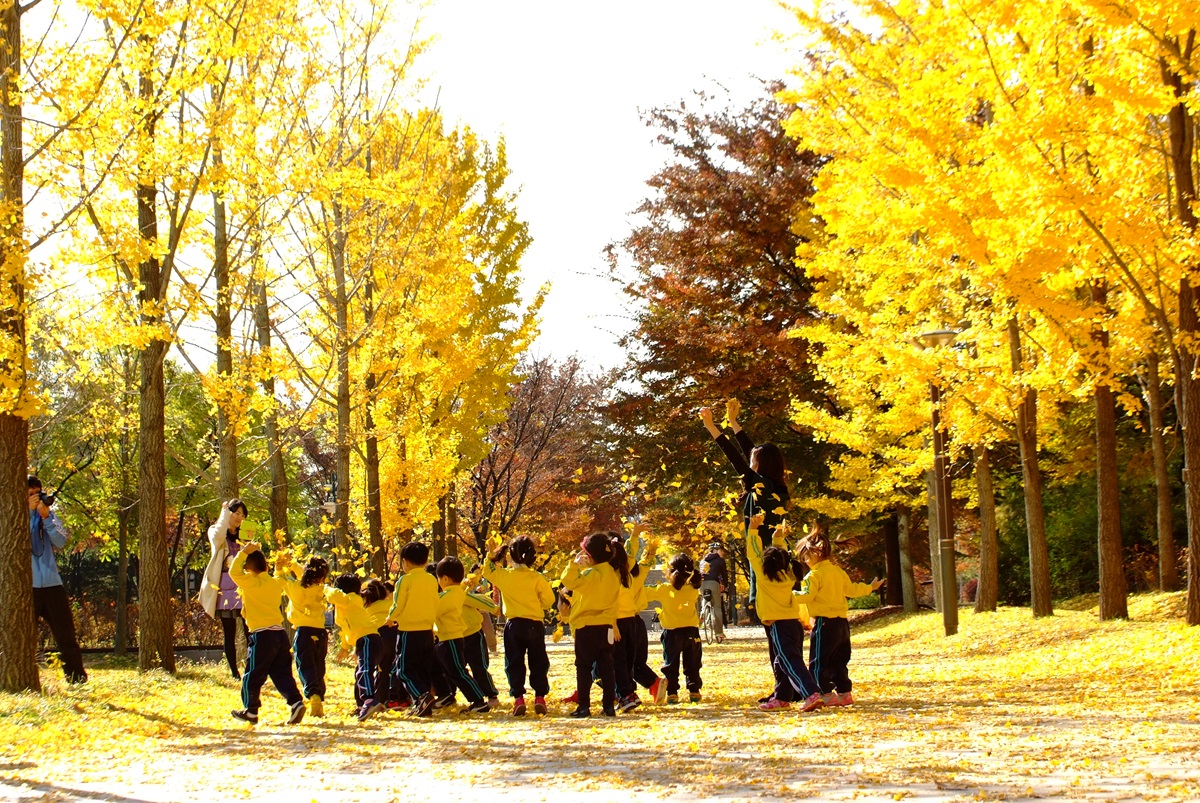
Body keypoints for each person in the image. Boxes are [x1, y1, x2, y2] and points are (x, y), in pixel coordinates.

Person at [699, 399, 790, 620]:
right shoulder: (773, 486)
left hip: (765, 558)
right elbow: (752, 452)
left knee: (772, 619)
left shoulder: (761, 486)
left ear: (759, 466)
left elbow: (735, 457)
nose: (749, 463)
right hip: (774, 555)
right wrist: (733, 422)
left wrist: (712, 427)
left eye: (753, 461)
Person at [795, 527, 883, 707]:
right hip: (842, 624)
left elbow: (807, 596)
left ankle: (824, 693)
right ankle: (844, 692)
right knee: (839, 660)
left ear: (816, 552)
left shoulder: (814, 575)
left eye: (805, 556)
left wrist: (789, 595)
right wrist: (870, 587)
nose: (805, 561)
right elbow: (852, 590)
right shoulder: (837, 572)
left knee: (819, 660)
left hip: (824, 624)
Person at [746, 515, 823, 713]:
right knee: (782, 661)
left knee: (790, 661)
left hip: (780, 625)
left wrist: (753, 529)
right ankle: (782, 697)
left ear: (766, 564)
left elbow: (753, 554)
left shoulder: (764, 576)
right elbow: (782, 557)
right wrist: (778, 539)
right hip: (793, 625)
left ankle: (811, 693)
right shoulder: (788, 574)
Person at [228, 542, 305, 725]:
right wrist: (283, 565)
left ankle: (251, 710)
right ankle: (296, 702)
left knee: (252, 674)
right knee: (281, 673)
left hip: (262, 636)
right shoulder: (275, 582)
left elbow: (233, 572)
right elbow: (284, 576)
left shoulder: (250, 582)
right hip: (279, 634)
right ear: (267, 566)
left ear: (247, 568)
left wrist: (242, 553)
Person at [483, 535, 555, 717]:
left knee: (514, 662)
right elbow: (549, 601)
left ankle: (518, 698)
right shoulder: (537, 578)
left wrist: (491, 555)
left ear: (510, 555)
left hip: (514, 625)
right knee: (538, 661)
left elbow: (487, 571)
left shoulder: (505, 575)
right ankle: (539, 697)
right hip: (534, 624)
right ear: (532, 555)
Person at [560, 533, 628, 719]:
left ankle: (584, 706)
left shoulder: (591, 574)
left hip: (586, 626)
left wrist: (574, 564)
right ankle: (608, 706)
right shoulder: (614, 574)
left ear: (589, 556)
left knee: (583, 666)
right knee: (607, 666)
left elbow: (569, 581)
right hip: (606, 626)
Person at [27, 476, 87, 684]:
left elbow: (61, 540)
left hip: (52, 584)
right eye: (30, 494)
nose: (35, 498)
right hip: (27, 586)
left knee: (66, 635)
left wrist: (45, 518)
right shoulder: (12, 514)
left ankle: (77, 679)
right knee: (22, 638)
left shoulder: (49, 514)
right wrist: (27, 513)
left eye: (37, 493)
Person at [613, 525, 666, 710]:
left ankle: (627, 693)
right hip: (636, 621)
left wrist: (634, 537)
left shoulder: (610, 575)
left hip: (617, 621)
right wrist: (646, 546)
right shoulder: (636, 571)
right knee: (632, 662)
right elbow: (640, 559)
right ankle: (634, 691)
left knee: (620, 662)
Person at [327, 575, 391, 721]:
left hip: (369, 639)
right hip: (364, 640)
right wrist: (344, 647)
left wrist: (324, 588)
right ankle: (363, 704)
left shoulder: (351, 599)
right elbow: (346, 628)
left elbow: (334, 595)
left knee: (365, 671)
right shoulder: (344, 606)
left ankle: (369, 700)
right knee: (360, 672)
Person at [387, 542, 440, 717]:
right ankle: (422, 705)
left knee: (404, 670)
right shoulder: (431, 579)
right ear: (425, 561)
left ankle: (421, 696)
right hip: (427, 630)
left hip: (409, 631)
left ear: (405, 562)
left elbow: (398, 603)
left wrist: (391, 618)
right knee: (423, 669)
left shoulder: (405, 580)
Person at [199, 498, 250, 679]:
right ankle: (234, 672)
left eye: (242, 515)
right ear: (229, 513)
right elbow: (218, 536)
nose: (239, 517)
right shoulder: (216, 531)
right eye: (236, 513)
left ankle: (251, 668)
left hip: (244, 583)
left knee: (249, 627)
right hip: (225, 585)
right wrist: (224, 514)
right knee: (229, 631)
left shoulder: (245, 535)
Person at [433, 557, 491, 714]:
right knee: (451, 670)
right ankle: (448, 695)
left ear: (444, 578)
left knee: (458, 671)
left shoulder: (445, 597)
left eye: (438, 578)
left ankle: (478, 700)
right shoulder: (458, 592)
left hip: (450, 638)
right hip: (449, 637)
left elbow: (434, 611)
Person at [646, 554, 704, 704]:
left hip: (672, 632)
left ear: (671, 572)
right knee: (693, 663)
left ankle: (672, 693)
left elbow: (645, 593)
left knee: (671, 663)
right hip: (692, 631)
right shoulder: (693, 589)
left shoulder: (665, 589)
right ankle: (694, 691)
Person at [279, 554, 330, 717]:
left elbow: (282, 578)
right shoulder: (321, 588)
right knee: (318, 665)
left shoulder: (297, 589)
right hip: (321, 632)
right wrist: (293, 564)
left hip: (304, 632)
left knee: (305, 665)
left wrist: (281, 565)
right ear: (322, 576)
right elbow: (305, 574)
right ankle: (319, 698)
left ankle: (313, 694)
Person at [460, 573, 501, 710]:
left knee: (479, 667)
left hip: (473, 635)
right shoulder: (441, 597)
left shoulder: (462, 595)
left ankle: (491, 695)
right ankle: (450, 695)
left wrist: (495, 609)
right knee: (457, 669)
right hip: (455, 637)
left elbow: (481, 600)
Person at [700, 542, 728, 642]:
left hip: (702, 584)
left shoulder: (702, 561)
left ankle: (703, 612)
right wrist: (726, 586)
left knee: (705, 598)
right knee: (717, 607)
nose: (722, 553)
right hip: (713, 583)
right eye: (721, 550)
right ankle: (719, 632)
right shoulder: (720, 561)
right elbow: (724, 574)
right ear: (716, 550)